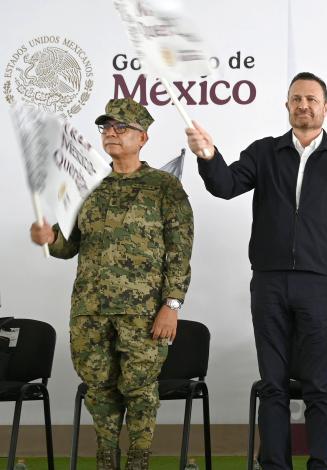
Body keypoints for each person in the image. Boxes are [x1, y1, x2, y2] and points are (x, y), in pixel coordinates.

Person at [185, 72, 327, 470]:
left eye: (312, 99)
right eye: (296, 98)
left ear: (326, 107)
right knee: (273, 385)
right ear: (286, 105)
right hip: (268, 282)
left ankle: (319, 464)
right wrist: (207, 155)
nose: (304, 105)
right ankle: (274, 465)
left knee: (318, 385)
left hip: (321, 285)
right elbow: (226, 185)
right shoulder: (264, 152)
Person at [30, 98, 193, 470]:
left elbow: (180, 251)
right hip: (90, 311)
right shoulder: (87, 185)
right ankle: (106, 459)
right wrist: (47, 237)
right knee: (99, 390)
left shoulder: (164, 187)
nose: (112, 134)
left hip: (143, 312)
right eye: (107, 127)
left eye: (122, 128)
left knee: (139, 390)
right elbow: (68, 245)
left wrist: (172, 305)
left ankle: (138, 461)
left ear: (144, 137)